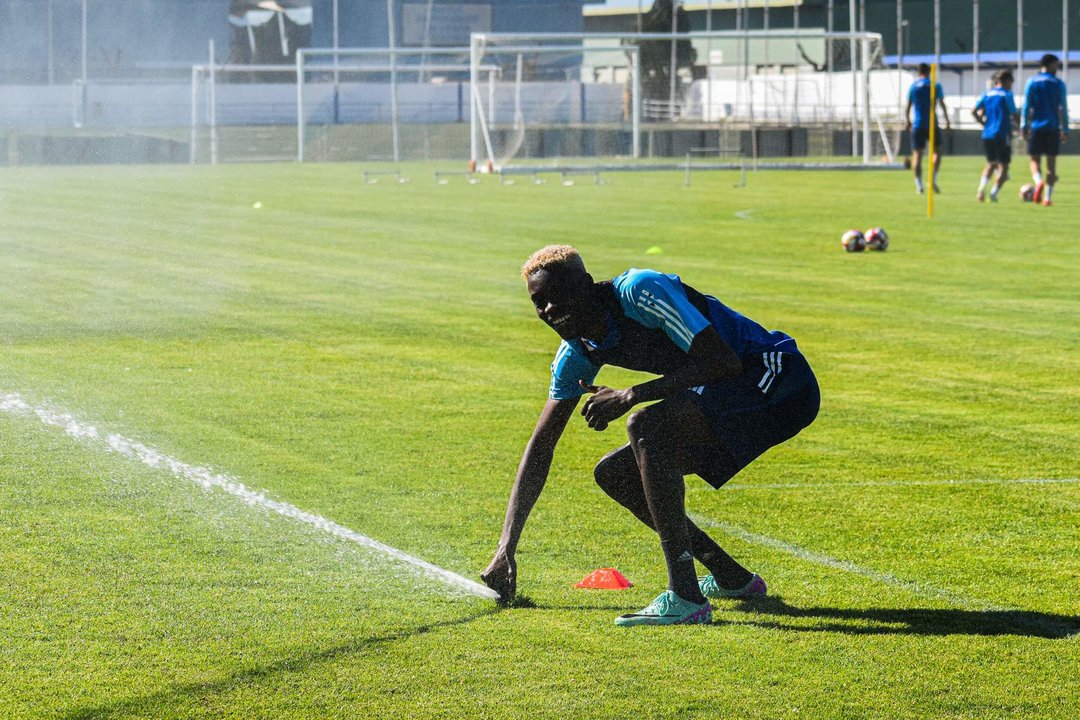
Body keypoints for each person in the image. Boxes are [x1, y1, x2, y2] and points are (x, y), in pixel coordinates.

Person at [481, 246, 820, 626]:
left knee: (645, 426)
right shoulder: (576, 353)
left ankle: (686, 597)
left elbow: (723, 361)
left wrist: (632, 394)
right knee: (614, 473)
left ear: (587, 285)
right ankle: (732, 577)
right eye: (538, 302)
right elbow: (541, 447)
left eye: (558, 295)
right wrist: (506, 547)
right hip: (736, 393)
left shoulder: (641, 291)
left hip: (779, 379)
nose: (549, 310)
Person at [1021, 53, 1069, 207]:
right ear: (1049, 64)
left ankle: (1038, 181)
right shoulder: (1058, 83)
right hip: (1053, 127)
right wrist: (1065, 128)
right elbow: (1063, 108)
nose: (1058, 68)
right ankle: (1047, 198)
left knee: (1034, 160)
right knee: (1051, 165)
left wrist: (1023, 125)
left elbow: (1026, 106)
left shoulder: (1032, 82)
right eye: (1056, 65)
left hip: (1036, 126)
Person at [971, 70, 1020, 202]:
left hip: (987, 134)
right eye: (1011, 82)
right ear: (1006, 81)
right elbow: (1014, 114)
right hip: (1002, 134)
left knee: (991, 163)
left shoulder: (986, 94)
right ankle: (993, 194)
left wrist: (984, 124)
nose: (1011, 85)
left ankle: (981, 189)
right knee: (1004, 167)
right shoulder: (1006, 95)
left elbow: (974, 111)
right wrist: (1020, 127)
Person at [905, 63, 951, 194]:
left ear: (918, 72)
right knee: (937, 152)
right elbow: (942, 104)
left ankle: (919, 185)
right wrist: (947, 121)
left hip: (918, 124)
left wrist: (907, 120)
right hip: (932, 124)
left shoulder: (913, 87)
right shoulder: (935, 85)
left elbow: (908, 106)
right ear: (929, 72)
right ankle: (932, 180)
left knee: (917, 155)